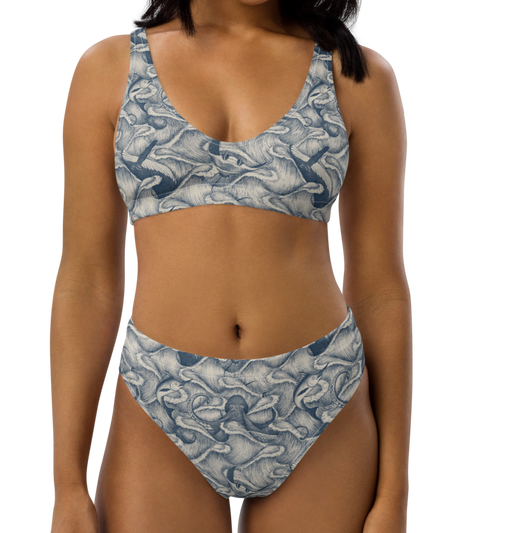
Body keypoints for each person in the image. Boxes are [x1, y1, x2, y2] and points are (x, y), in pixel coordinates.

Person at [49, 0, 413, 532]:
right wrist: (66, 487)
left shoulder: (355, 73)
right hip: (162, 397)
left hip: (319, 395)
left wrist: (396, 493)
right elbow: (87, 281)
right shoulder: (109, 68)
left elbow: (380, 289)